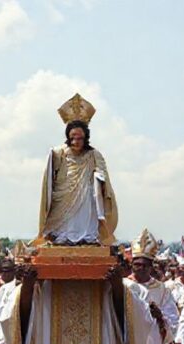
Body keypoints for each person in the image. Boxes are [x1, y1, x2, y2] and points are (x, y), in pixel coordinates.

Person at [0, 228, 166, 344]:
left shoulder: (117, 285)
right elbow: (15, 320)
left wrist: (117, 287)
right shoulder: (41, 286)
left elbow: (138, 323)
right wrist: (27, 287)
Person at [35, 93, 118, 246]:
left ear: (85, 138)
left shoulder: (93, 154)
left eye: (80, 138)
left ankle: (86, 237)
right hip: (63, 193)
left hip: (86, 193)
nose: (76, 142)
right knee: (62, 227)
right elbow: (50, 178)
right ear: (68, 136)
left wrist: (98, 178)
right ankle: (60, 236)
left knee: (85, 213)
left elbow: (103, 173)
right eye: (72, 138)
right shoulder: (58, 152)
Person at [128, 243, 180, 344]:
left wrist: (159, 316)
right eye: (137, 264)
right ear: (132, 265)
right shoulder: (124, 285)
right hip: (129, 343)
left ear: (151, 267)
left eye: (144, 265)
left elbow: (173, 319)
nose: (140, 268)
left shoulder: (162, 289)